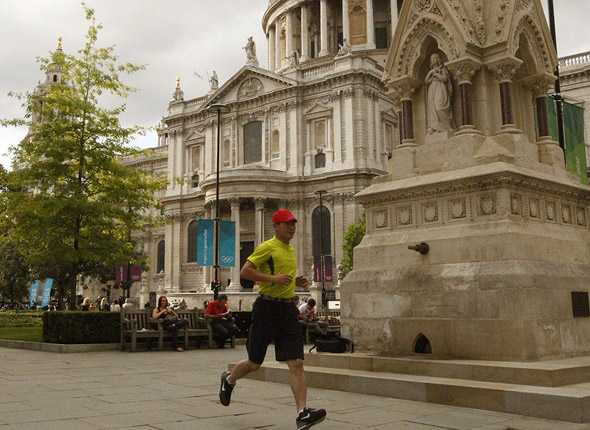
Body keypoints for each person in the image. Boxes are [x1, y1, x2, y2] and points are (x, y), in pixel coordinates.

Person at [218, 209, 326, 430]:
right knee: (254, 363)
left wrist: (296, 281)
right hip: (266, 309)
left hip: (287, 311)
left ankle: (302, 413)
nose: (291, 227)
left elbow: (281, 280)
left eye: (293, 224)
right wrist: (273, 279)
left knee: (296, 362)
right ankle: (229, 379)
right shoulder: (267, 247)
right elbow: (245, 272)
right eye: (286, 224)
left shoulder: (290, 249)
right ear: (275, 226)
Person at [425, 53, 454, 134]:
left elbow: (444, 79)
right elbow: (426, 81)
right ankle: (435, 127)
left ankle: (446, 127)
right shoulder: (431, 71)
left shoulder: (442, 69)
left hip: (440, 87)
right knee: (432, 109)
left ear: (438, 59)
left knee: (440, 107)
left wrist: (436, 74)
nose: (433, 60)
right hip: (432, 88)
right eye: (432, 59)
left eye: (435, 58)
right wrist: (431, 73)